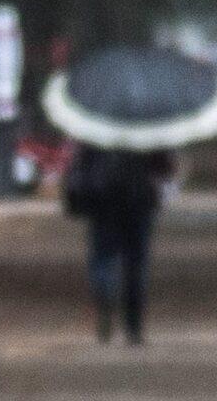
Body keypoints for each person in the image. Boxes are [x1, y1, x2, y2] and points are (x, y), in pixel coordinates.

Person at [63, 144, 177, 345]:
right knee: (135, 264)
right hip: (139, 200)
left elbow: (79, 160)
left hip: (103, 198)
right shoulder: (147, 126)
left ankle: (105, 297)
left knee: (103, 257)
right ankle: (133, 326)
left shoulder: (94, 124)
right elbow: (165, 166)